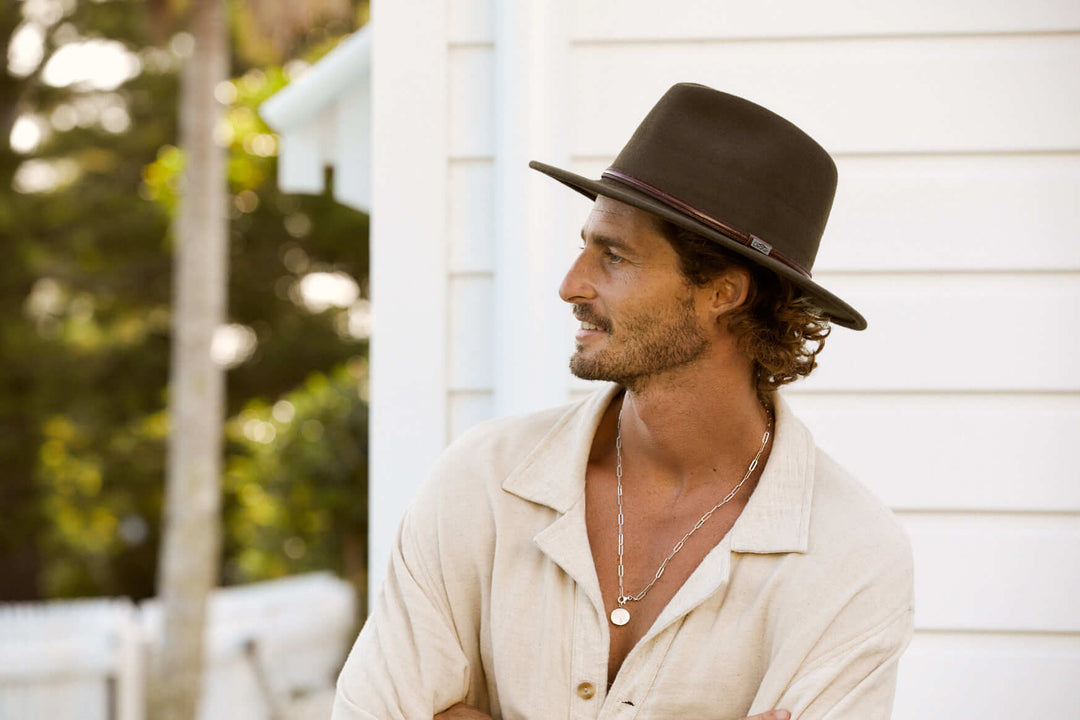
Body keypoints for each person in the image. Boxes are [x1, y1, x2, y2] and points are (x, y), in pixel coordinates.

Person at [332, 83, 914, 719]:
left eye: (613, 256)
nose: (571, 284)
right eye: (584, 247)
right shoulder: (484, 481)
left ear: (723, 291)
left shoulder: (851, 554)